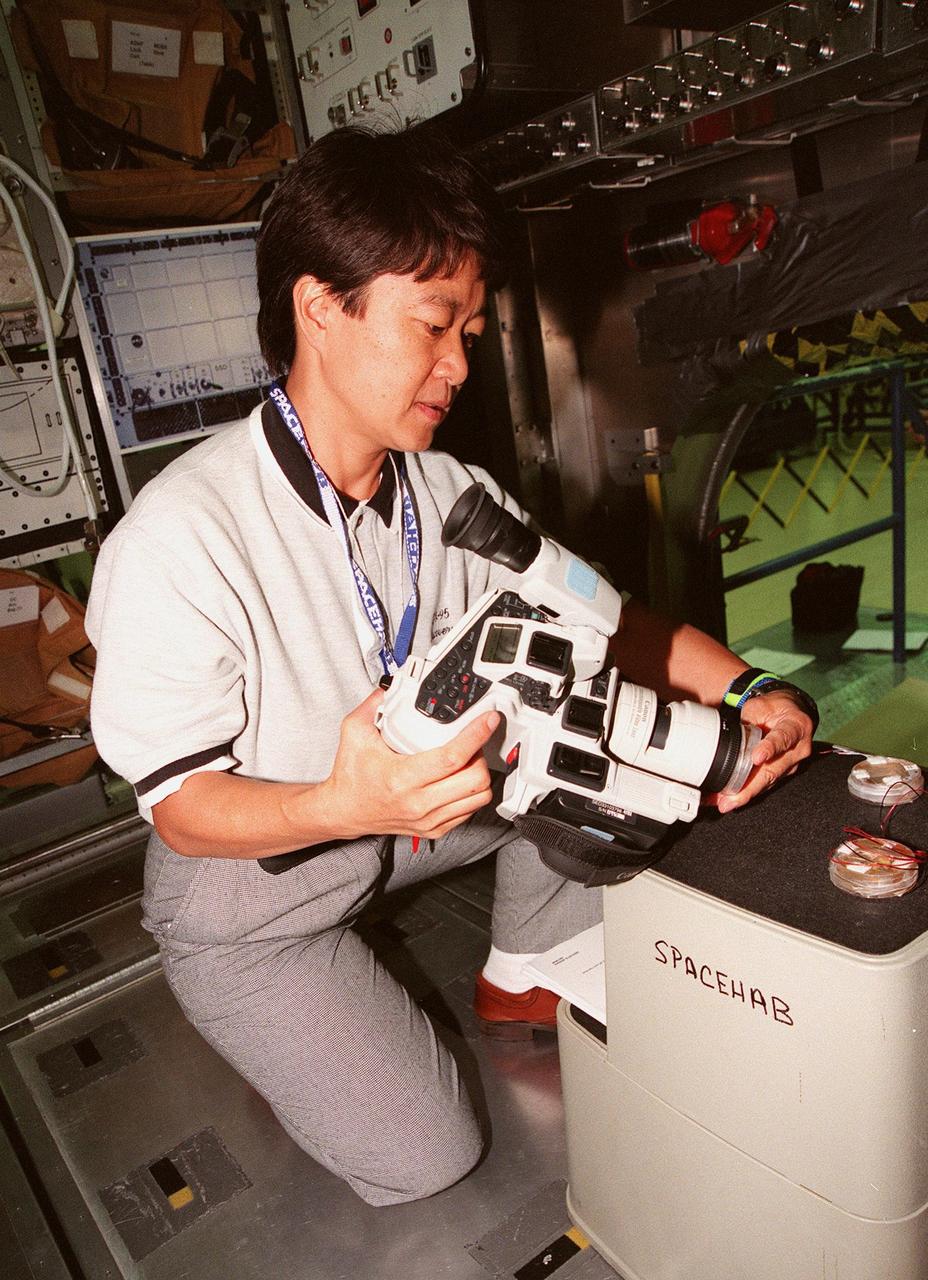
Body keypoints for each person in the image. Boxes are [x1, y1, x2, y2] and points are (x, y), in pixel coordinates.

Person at [85, 126, 815, 1207]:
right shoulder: (181, 535)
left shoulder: (450, 493)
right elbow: (182, 807)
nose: (460, 364)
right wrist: (339, 799)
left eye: (470, 329)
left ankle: (524, 965)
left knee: (598, 719)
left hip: (422, 821)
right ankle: (279, 1033)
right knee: (429, 1154)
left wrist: (754, 690)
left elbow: (614, 628)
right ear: (319, 306)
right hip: (256, 878)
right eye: (433, 324)